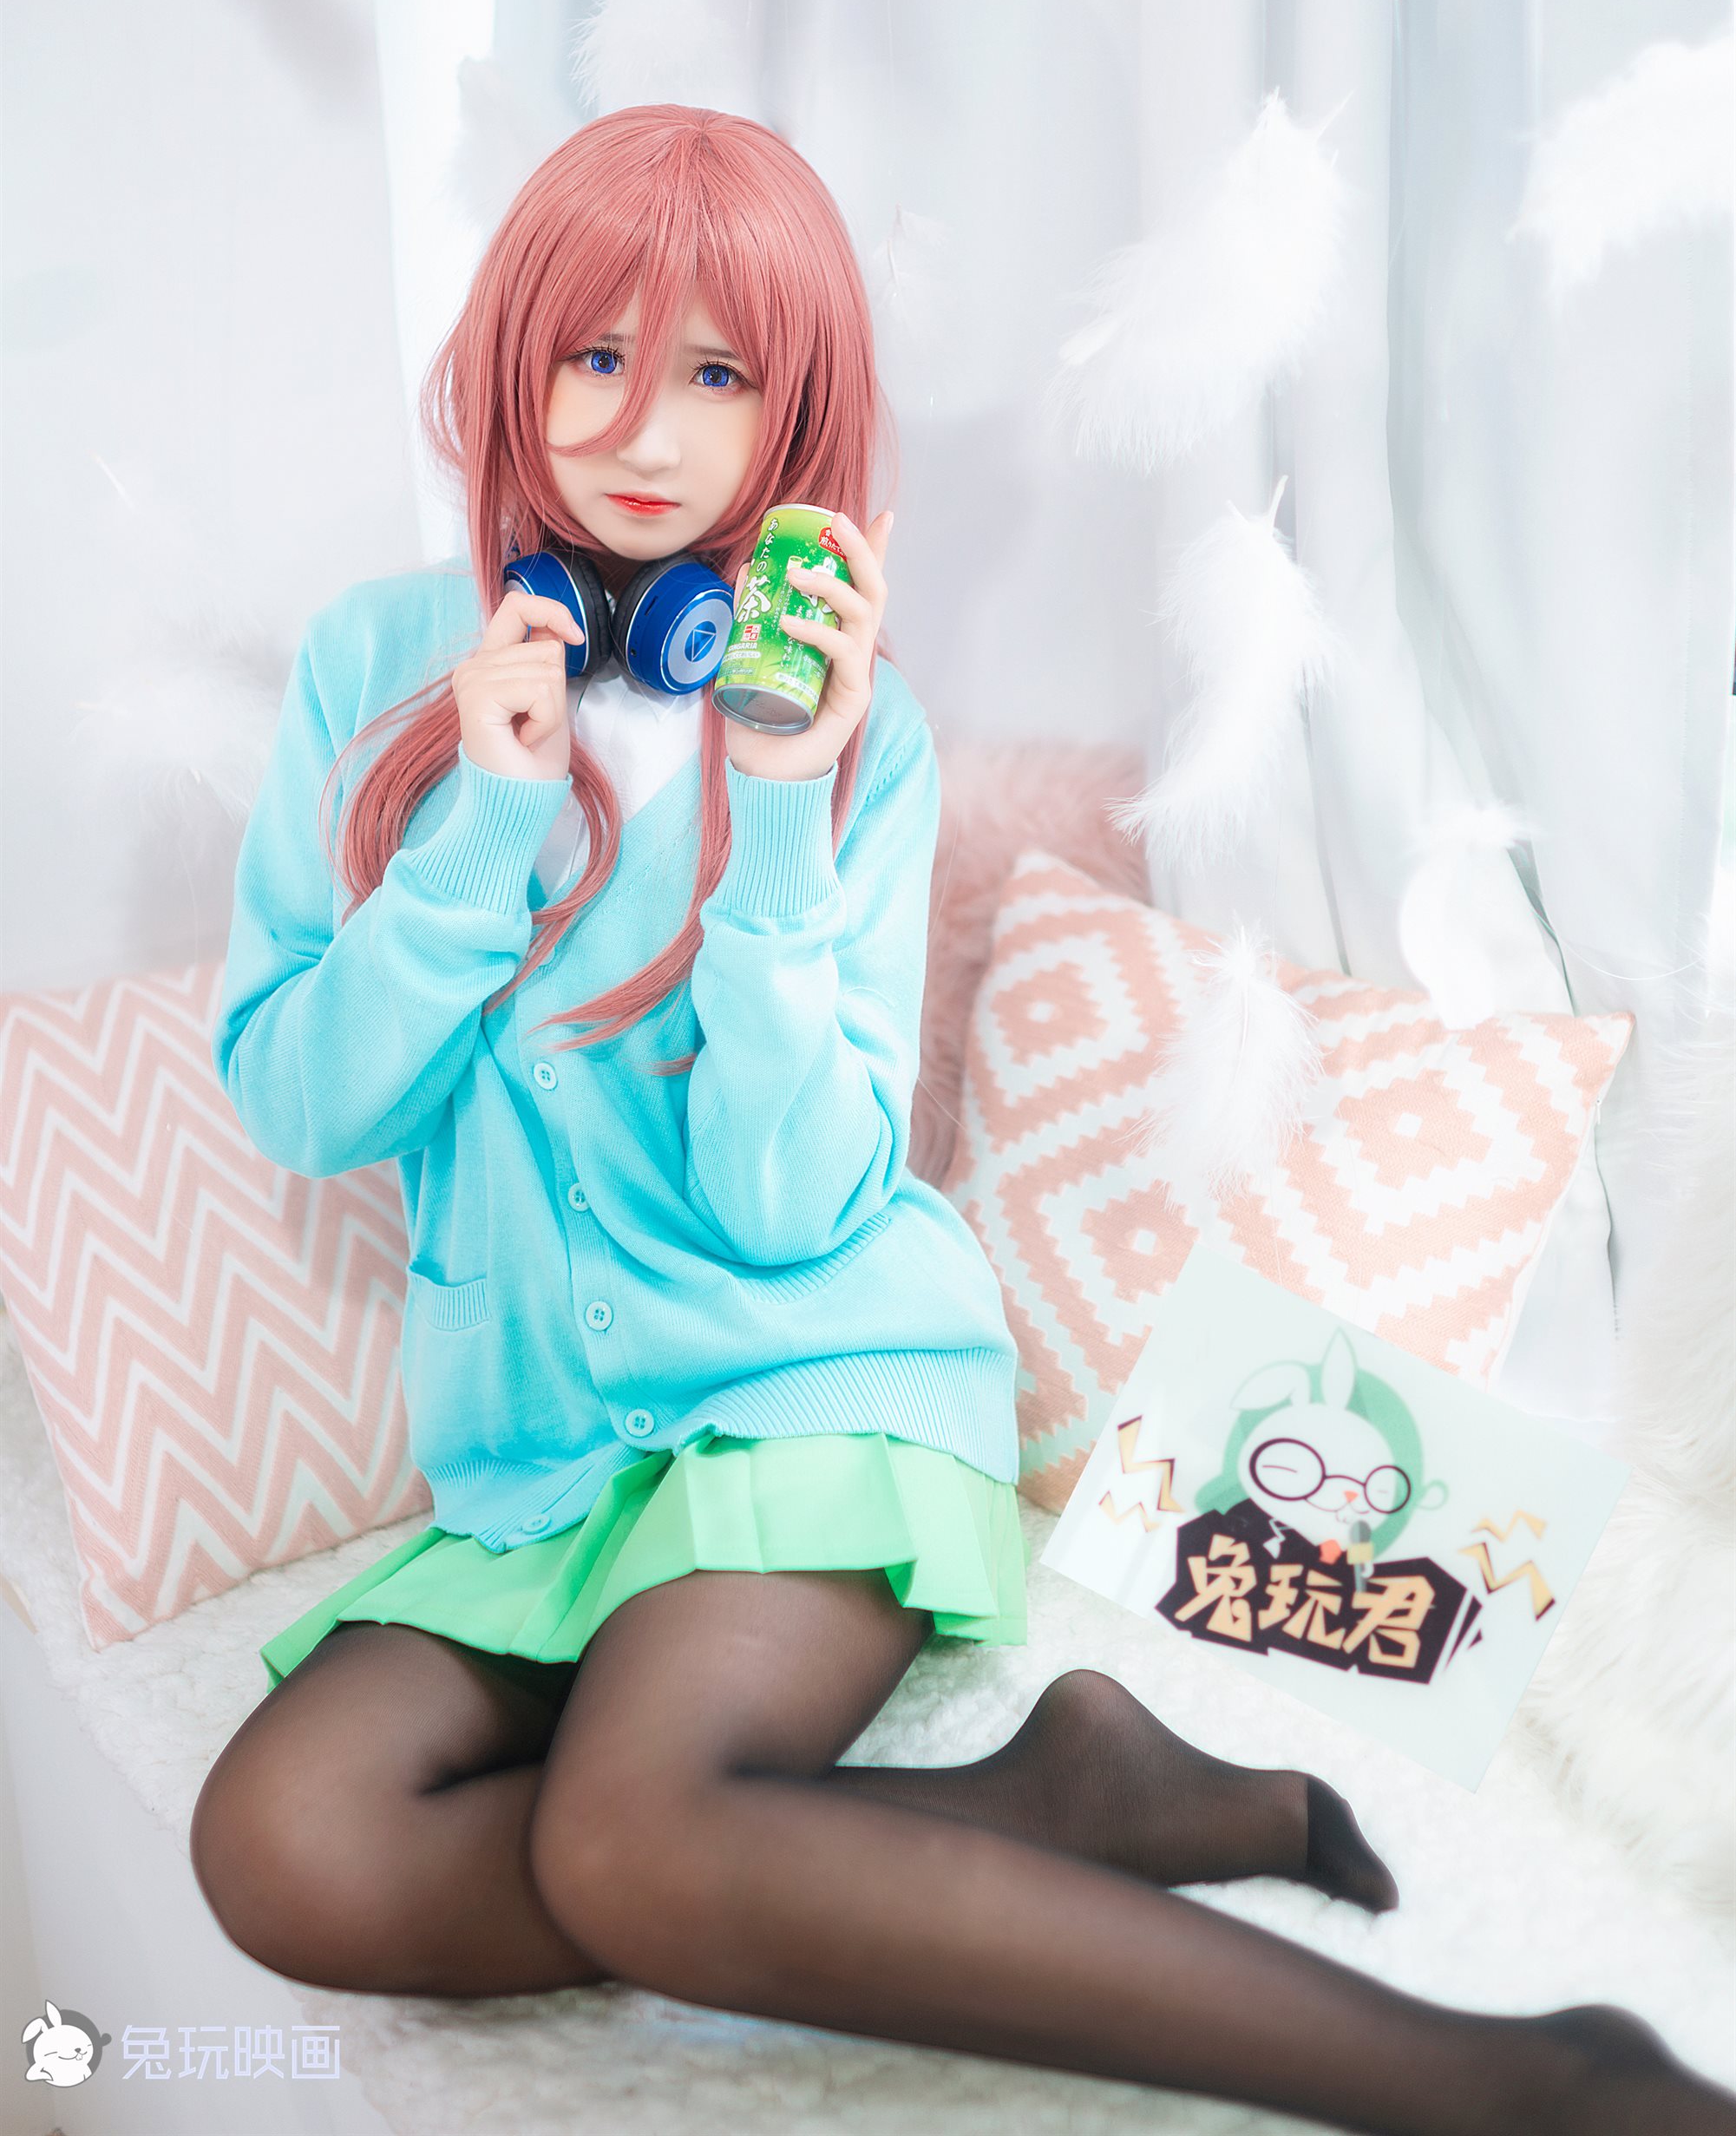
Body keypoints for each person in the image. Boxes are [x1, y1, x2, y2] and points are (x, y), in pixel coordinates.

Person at [189, 105, 1733, 2136]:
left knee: (632, 1839)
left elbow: (794, 1204)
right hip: (548, 1469)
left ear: (793, 413)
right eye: (595, 354)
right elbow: (305, 1102)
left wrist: (772, 821)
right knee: (287, 1848)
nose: (641, 428)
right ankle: (1050, 1798)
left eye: (716, 373)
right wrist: (482, 827)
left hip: (811, 1392)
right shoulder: (375, 671)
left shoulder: (855, 733)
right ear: (511, 361)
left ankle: (1518, 2082)